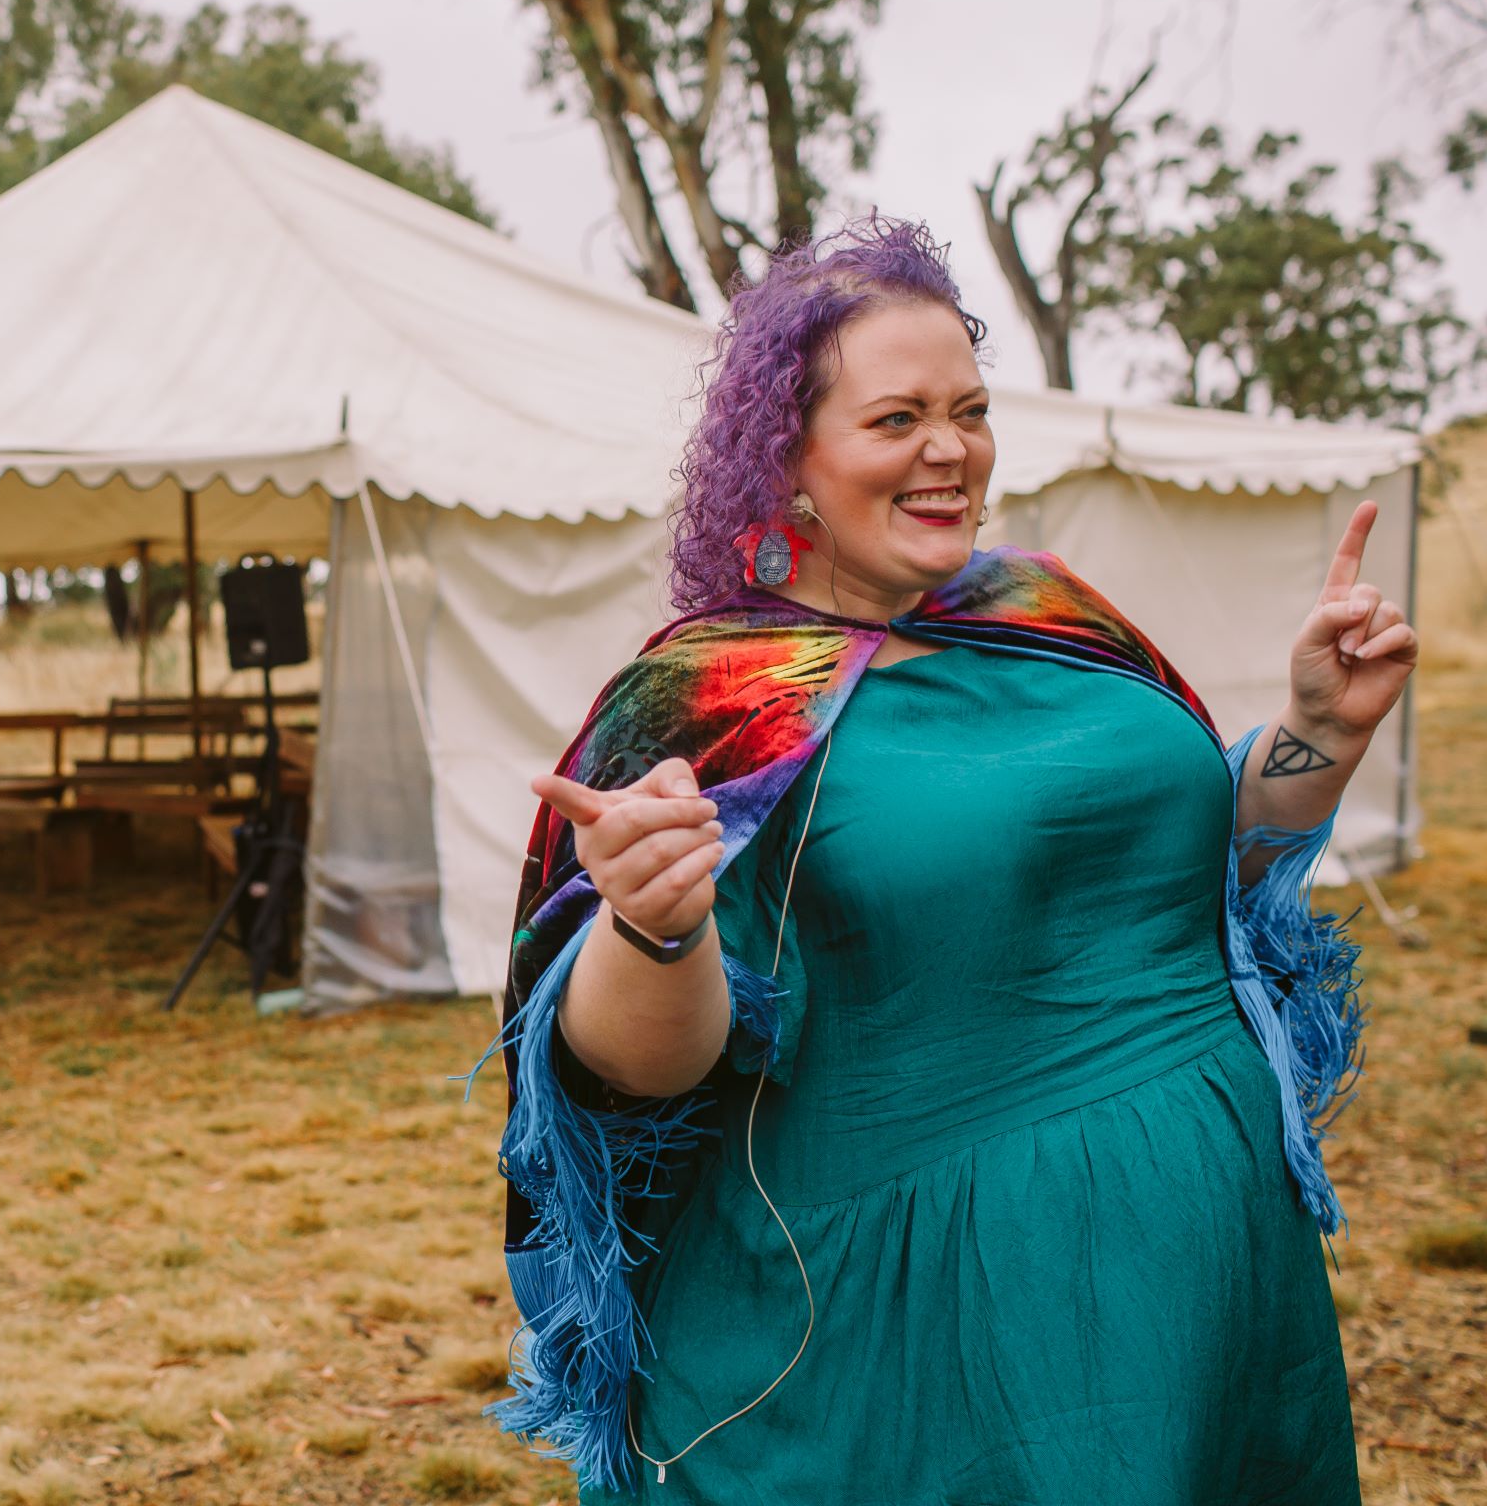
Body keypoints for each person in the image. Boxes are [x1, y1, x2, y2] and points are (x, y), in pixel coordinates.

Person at [481, 216, 1408, 1504]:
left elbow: (1201, 878)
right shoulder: (709, 703)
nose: (949, 451)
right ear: (784, 456)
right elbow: (633, 1073)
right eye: (896, 417)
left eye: (969, 410)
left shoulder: (1049, 611)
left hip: (1210, 1284)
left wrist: (1317, 732)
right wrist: (653, 923)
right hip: (927, 1328)